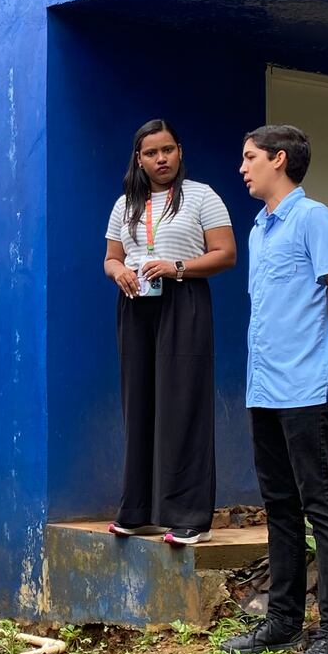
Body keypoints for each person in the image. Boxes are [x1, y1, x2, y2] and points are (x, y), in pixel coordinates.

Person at [224, 124, 328, 654]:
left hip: (310, 389)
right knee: (280, 505)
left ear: (278, 160)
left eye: (249, 157)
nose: (242, 167)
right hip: (265, 390)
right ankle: (283, 621)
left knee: (322, 507)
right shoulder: (260, 229)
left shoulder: (314, 218)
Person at [103, 119, 237, 546]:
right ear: (138, 159)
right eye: (150, 153)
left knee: (183, 404)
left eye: (167, 150)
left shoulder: (202, 196)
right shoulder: (125, 204)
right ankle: (139, 510)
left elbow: (226, 254)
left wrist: (177, 266)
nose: (160, 159)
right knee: (138, 403)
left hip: (184, 301)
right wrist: (120, 271)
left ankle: (188, 516)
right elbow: (110, 258)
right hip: (136, 304)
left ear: (179, 151)